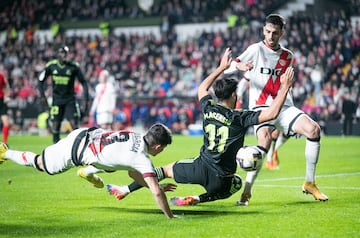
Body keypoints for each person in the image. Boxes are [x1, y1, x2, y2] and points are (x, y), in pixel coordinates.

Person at [106, 48, 294, 206]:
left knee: (163, 171)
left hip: (200, 167)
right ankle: (198, 199)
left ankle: (125, 189)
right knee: (235, 184)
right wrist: (285, 87)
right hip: (223, 177)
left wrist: (221, 68)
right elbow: (271, 114)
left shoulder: (208, 108)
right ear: (233, 97)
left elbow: (202, 88)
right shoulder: (240, 117)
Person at [224, 14, 328, 205]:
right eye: (268, 32)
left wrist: (295, 120)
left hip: (284, 106)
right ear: (263, 30)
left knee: (313, 129)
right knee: (263, 140)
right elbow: (228, 67)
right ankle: (246, 193)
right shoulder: (255, 49)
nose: (271, 36)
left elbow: (286, 86)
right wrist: (238, 65)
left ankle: (310, 183)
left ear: (282, 33)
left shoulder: (288, 56)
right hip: (260, 108)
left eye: (275, 33)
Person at [0, 123, 177, 219]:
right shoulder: (142, 159)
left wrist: (157, 187)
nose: (161, 152)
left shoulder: (133, 134)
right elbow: (155, 192)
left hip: (84, 133)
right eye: (163, 149)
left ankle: (89, 172)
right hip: (76, 151)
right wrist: (170, 216)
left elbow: (133, 174)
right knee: (40, 164)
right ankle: (5, 152)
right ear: (158, 146)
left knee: (112, 164)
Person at [38, 46, 89, 144]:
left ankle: (77, 148)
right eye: (62, 53)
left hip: (70, 100)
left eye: (65, 53)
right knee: (56, 125)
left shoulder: (73, 67)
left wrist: (86, 98)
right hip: (57, 100)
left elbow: (84, 82)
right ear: (58, 54)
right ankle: (55, 146)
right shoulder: (51, 66)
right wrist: (42, 96)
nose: (64, 55)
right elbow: (40, 81)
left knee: (74, 124)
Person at [0, 71, 11, 144]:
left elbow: (5, 86)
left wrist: (6, 96)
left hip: (1, 100)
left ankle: (4, 143)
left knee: (6, 122)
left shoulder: (1, 76)